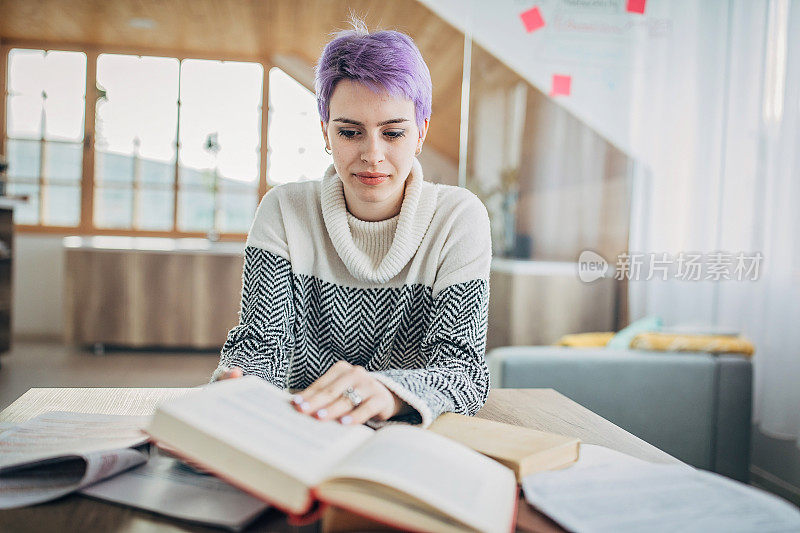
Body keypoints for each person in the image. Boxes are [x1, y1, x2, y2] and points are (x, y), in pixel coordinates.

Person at [212, 19, 492, 429]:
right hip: (298, 427)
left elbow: (464, 369)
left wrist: (389, 392)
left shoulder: (458, 219)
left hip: (407, 435)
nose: (372, 154)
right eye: (350, 132)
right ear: (325, 131)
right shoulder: (284, 211)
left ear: (421, 133)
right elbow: (261, 344)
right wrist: (240, 383)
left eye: (393, 133)